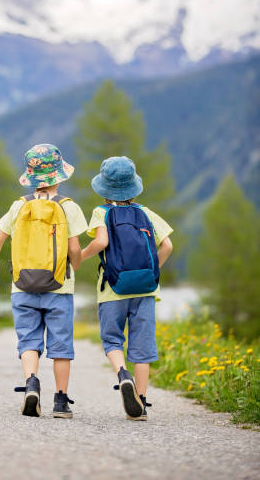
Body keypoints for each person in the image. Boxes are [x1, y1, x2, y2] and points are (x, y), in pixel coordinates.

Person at [0, 143, 87, 418]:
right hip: (59, 287)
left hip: (22, 286)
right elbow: (75, 249)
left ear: (30, 177)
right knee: (61, 345)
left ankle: (31, 383)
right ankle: (61, 401)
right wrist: (73, 267)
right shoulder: (69, 207)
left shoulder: (19, 205)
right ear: (59, 176)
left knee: (28, 340)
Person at [81, 156, 173, 420]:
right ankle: (141, 403)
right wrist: (154, 269)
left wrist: (79, 257)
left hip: (113, 288)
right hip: (145, 288)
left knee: (112, 339)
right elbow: (167, 246)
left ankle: (123, 374)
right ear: (134, 187)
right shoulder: (146, 213)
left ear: (104, 189)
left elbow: (100, 243)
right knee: (142, 347)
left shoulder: (103, 212)